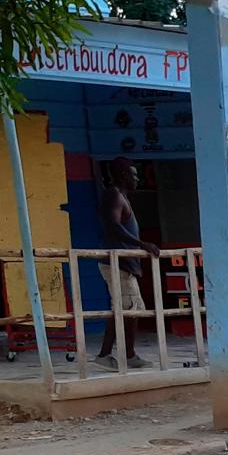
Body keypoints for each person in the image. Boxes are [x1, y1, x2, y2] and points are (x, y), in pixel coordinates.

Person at [97, 157, 160, 370]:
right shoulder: (114, 195)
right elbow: (113, 226)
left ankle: (124, 354)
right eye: (134, 175)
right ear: (124, 175)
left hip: (125, 263)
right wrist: (141, 244)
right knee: (127, 309)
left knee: (128, 309)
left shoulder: (121, 196)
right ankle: (111, 354)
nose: (137, 179)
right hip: (117, 263)